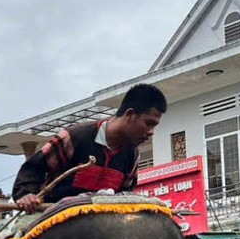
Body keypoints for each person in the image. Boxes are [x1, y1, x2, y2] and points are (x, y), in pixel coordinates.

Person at [12, 83, 167, 213]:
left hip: (101, 222)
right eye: (149, 123)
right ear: (129, 114)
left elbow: (126, 192)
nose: (151, 132)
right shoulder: (75, 137)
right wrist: (27, 194)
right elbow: (33, 168)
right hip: (54, 217)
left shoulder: (132, 155)